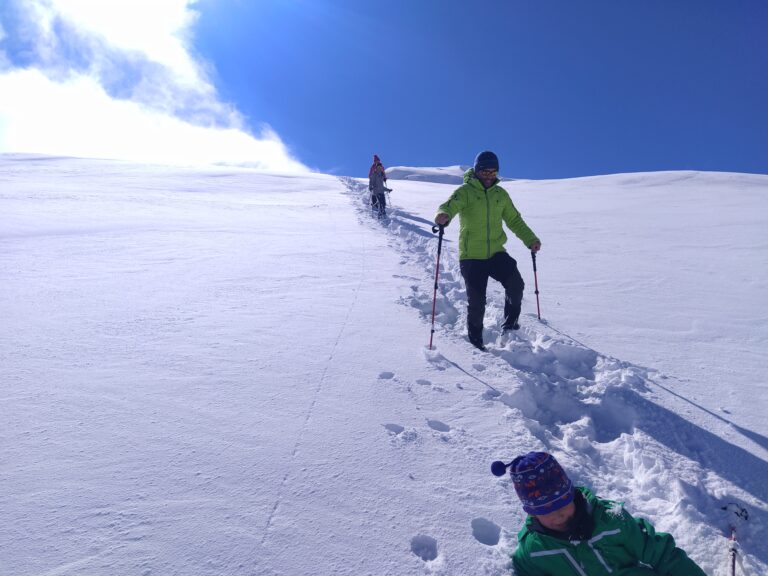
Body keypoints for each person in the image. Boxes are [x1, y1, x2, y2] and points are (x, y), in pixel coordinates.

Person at [493, 451, 706, 576]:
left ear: (572, 496)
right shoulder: (534, 550)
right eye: (546, 511)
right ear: (533, 513)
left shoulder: (613, 521)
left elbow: (662, 553)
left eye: (563, 505)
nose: (558, 515)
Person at [434, 150, 540, 350]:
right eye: (485, 173)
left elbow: (514, 220)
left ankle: (510, 326)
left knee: (516, 284)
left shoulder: (501, 194)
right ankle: (476, 342)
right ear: (477, 171)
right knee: (477, 302)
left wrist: (531, 239)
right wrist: (443, 215)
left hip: (496, 253)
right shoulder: (465, 191)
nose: (489, 177)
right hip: (472, 256)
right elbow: (449, 205)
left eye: (493, 173)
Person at [368, 154, 389, 218]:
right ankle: (376, 207)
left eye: (377, 160)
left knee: (383, 201)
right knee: (377, 196)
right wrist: (371, 180)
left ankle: (382, 211)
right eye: (376, 161)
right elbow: (371, 173)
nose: (377, 161)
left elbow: (383, 172)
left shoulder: (381, 166)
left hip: (380, 181)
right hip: (375, 181)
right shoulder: (373, 166)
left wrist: (384, 178)